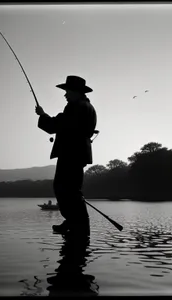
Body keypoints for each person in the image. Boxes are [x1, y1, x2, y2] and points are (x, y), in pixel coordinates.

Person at [35, 75, 97, 237]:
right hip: (78, 154)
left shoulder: (76, 107)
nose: (65, 94)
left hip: (70, 153)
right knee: (71, 190)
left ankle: (76, 225)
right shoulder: (88, 107)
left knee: (64, 189)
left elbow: (57, 125)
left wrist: (42, 115)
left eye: (67, 91)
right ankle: (73, 223)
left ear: (76, 92)